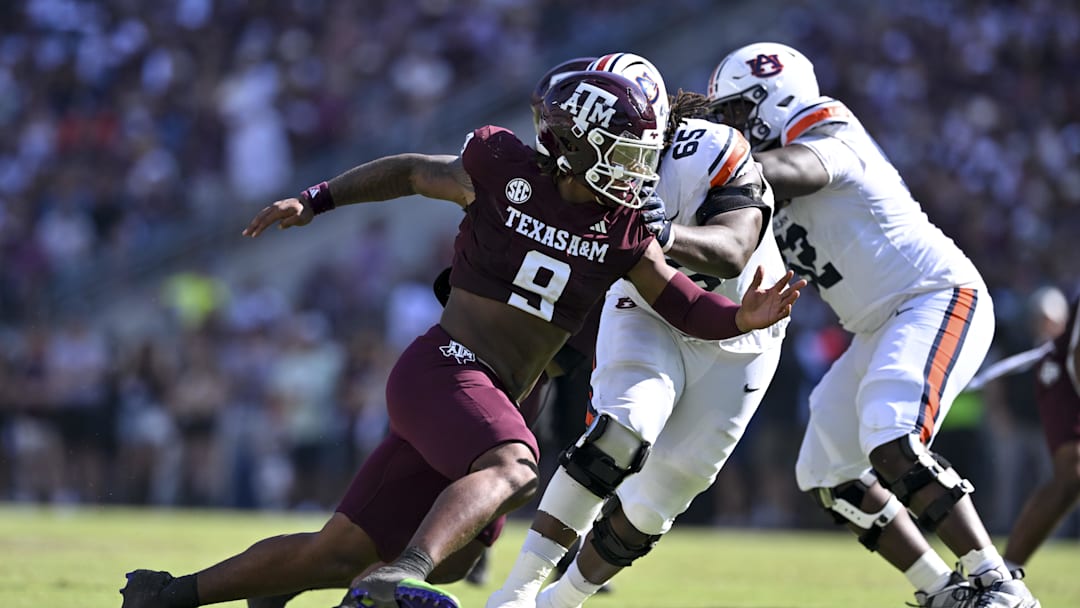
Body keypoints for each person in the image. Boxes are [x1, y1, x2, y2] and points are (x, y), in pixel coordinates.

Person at [118, 69, 804, 608]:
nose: (636, 170)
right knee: (512, 470)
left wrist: (739, 319)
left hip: (493, 393)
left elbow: (681, 301)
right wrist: (318, 198)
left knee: (364, 552)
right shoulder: (500, 167)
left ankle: (169, 595)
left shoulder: (621, 225)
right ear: (579, 142)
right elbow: (412, 171)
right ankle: (398, 579)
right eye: (624, 152)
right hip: (444, 370)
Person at [707, 42, 1040, 608]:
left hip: (934, 296)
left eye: (738, 112)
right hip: (876, 325)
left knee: (892, 435)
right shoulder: (758, 176)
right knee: (827, 472)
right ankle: (943, 593)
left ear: (776, 98)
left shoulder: (825, 125)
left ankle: (1000, 585)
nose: (731, 129)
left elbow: (797, 169)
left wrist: (706, 163)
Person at [488, 52, 791, 608]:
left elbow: (733, 250)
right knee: (622, 429)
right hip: (649, 308)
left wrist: (666, 233)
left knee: (664, 493)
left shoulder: (712, 149)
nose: (599, 148)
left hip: (744, 328)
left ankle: (564, 600)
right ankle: (517, 592)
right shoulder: (578, 161)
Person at [965, 288, 1079, 575]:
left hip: (1044, 419)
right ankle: (1004, 570)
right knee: (1071, 470)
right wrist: (1000, 414)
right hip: (1062, 382)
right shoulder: (1018, 342)